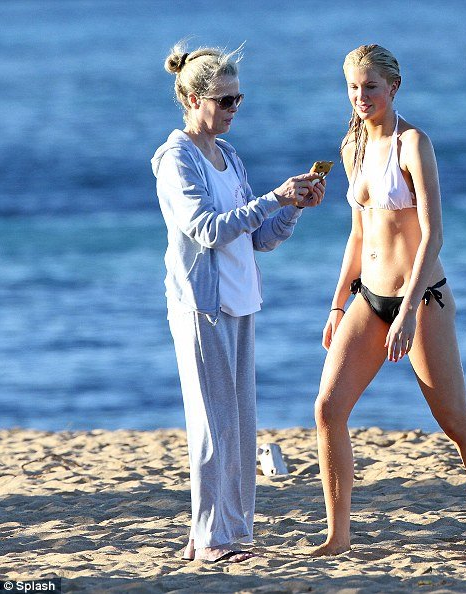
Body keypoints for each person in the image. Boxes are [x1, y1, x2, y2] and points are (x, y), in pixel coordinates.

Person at [312, 44, 466, 558]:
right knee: (328, 409)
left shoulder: (413, 144)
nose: (361, 97)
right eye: (354, 87)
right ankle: (337, 538)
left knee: (455, 421)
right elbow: (358, 237)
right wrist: (338, 304)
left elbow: (432, 235)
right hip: (369, 297)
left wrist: (406, 312)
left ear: (393, 87)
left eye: (371, 87)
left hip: (422, 301)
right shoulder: (351, 145)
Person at [151, 42, 325, 563]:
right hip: (202, 307)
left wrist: (293, 206)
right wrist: (273, 195)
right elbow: (206, 228)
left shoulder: (228, 157)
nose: (232, 110)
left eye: (237, 100)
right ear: (191, 98)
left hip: (241, 302)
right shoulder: (176, 159)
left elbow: (257, 237)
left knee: (240, 426)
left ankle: (224, 533)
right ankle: (212, 539)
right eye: (224, 101)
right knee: (214, 426)